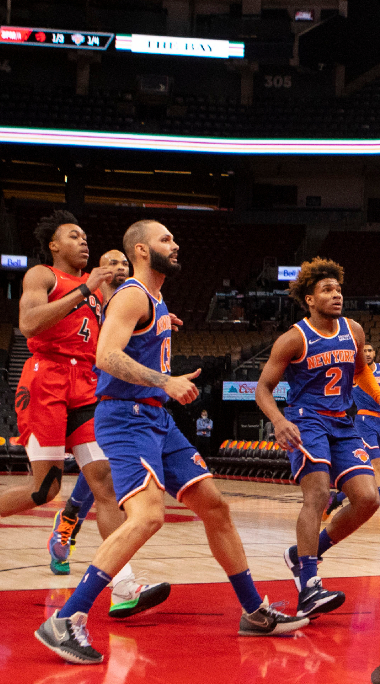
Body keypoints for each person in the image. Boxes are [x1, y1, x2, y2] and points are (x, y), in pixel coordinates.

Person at [35, 220, 307, 664]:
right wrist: (165, 380)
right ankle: (66, 619)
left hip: (157, 420)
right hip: (126, 418)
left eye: (174, 238)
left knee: (215, 507)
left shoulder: (156, 300)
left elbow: (133, 339)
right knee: (147, 517)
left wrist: (160, 329)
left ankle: (254, 611)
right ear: (142, 250)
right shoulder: (132, 295)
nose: (175, 244)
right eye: (165, 239)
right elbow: (105, 356)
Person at [0, 212, 163, 617]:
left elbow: (117, 332)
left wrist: (157, 325)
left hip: (86, 385)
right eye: (73, 236)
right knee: (44, 490)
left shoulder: (100, 290)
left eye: (85, 236)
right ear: (54, 246)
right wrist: (85, 289)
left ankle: (123, 585)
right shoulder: (42, 276)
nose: (83, 242)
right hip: (46, 380)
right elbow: (29, 323)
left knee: (105, 485)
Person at [255, 257, 380, 618]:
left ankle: (304, 554)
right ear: (309, 299)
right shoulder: (294, 338)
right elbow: (263, 388)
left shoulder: (353, 330)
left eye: (338, 289)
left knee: (367, 500)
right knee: (318, 494)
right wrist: (278, 421)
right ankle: (309, 586)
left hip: (343, 423)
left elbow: (361, 372)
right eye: (327, 290)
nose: (336, 295)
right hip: (307, 421)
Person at [48, 248, 130, 575]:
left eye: (124, 263)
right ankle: (70, 521)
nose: (120, 267)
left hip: (123, 391)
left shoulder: (134, 301)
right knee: (101, 467)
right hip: (87, 388)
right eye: (112, 262)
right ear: (99, 269)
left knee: (101, 467)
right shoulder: (87, 295)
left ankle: (70, 517)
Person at [325, 343, 380, 530]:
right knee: (377, 467)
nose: (368, 353)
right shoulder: (356, 372)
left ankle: (335, 499)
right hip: (365, 421)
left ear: (375, 352)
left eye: (370, 350)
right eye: (364, 351)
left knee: (371, 473)